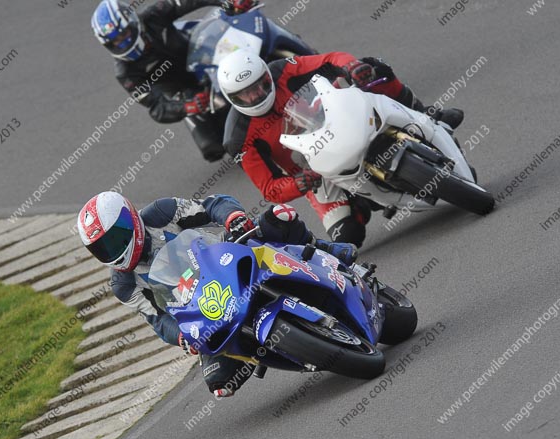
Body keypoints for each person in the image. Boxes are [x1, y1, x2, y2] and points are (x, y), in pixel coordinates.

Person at [77, 191, 356, 397]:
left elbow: (212, 205)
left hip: (229, 258)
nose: (113, 249)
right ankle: (265, 353)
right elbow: (158, 320)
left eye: (116, 237)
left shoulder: (161, 213)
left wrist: (232, 218)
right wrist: (181, 336)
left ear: (131, 218)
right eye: (103, 247)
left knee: (278, 217)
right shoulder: (123, 284)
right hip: (204, 309)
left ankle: (324, 249)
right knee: (220, 383)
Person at [219, 49, 465, 247]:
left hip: (340, 119)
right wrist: (299, 183)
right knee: (348, 237)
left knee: (374, 67)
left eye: (261, 84)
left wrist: (351, 66)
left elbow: (329, 59)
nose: (257, 95)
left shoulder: (282, 69)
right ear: (232, 98)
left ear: (266, 75)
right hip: (315, 170)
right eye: (246, 94)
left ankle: (427, 114)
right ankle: (360, 205)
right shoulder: (238, 139)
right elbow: (269, 188)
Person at [91, 0, 233, 160]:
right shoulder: (126, 74)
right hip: (184, 92)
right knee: (212, 148)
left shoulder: (153, 15)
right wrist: (188, 107)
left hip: (201, 57)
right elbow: (156, 107)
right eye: (116, 41)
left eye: (124, 34)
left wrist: (226, 2)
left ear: (132, 23)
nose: (123, 42)